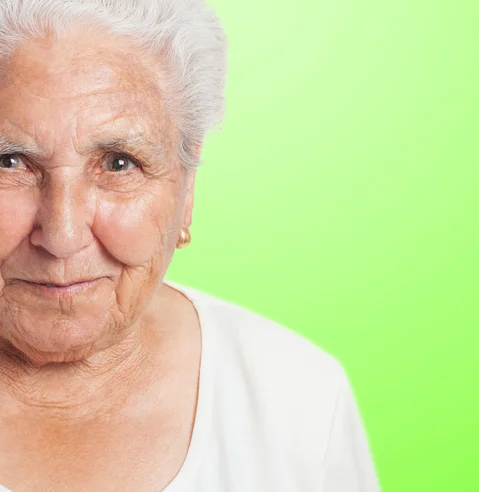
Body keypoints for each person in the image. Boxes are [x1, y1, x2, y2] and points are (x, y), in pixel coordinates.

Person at [0, 1, 380, 491]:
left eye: (119, 163)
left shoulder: (297, 399)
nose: (63, 235)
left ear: (187, 185)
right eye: (10, 162)